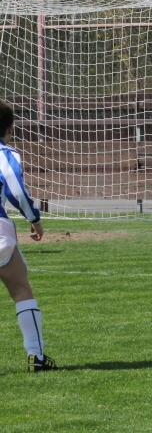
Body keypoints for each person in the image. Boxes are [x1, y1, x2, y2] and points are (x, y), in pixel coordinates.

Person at [0, 100, 57, 371]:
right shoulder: (5, 153)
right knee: (21, 289)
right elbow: (16, 192)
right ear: (10, 127)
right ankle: (36, 356)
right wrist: (35, 220)